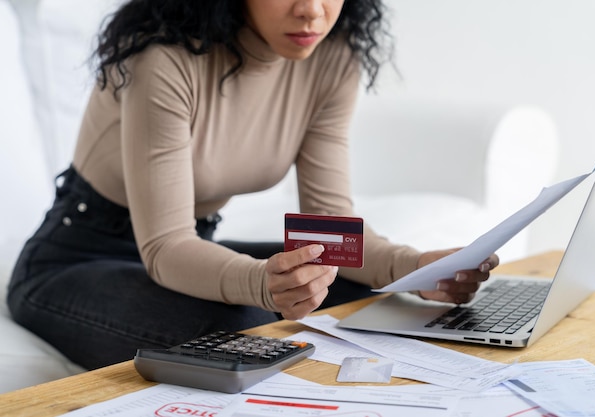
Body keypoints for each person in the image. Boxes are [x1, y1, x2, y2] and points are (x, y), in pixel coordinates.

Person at [7, 0, 499, 371]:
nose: (311, 11)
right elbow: (165, 245)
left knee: (352, 286)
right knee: (245, 327)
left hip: (192, 250)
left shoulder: (332, 59)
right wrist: (264, 282)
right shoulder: (162, 58)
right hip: (77, 259)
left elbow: (327, 230)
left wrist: (412, 267)